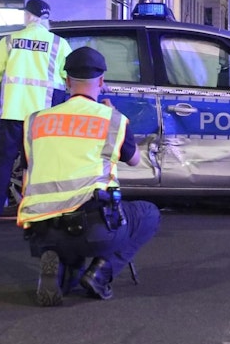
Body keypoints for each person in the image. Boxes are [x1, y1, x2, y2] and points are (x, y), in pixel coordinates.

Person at [19, 47, 160, 306]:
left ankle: (58, 267)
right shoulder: (112, 120)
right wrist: (112, 115)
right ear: (102, 81)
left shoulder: (36, 121)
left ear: (67, 81)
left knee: (67, 262)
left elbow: (28, 164)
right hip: (93, 228)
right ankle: (99, 274)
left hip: (41, 229)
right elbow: (135, 160)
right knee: (148, 213)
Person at [0, 0, 72, 223]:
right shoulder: (58, 44)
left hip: (12, 113)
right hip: (43, 116)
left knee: (4, 161)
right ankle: (37, 212)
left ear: (27, 16)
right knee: (37, 165)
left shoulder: (11, 41)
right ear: (47, 19)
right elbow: (68, 76)